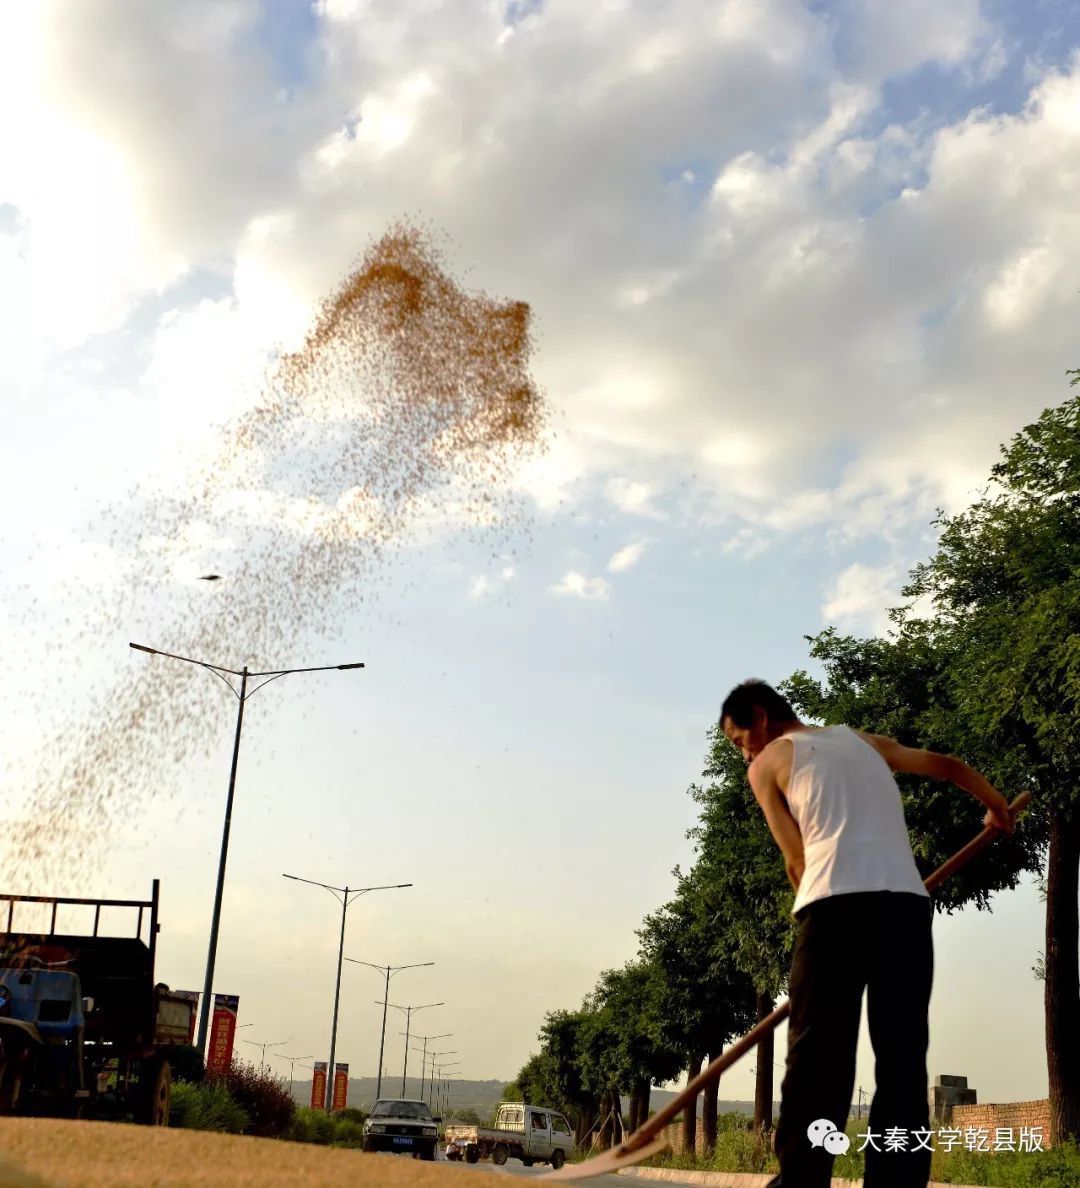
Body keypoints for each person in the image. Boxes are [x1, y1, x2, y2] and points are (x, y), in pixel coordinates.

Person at [719, 679, 1013, 1188]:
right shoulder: (861, 740)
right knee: (902, 1060)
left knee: (818, 1062)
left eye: (737, 737)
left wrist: (810, 920)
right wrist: (995, 805)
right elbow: (947, 765)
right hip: (905, 909)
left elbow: (796, 858)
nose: (741, 749)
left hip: (832, 908)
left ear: (760, 718)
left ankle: (802, 1182)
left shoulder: (765, 764)